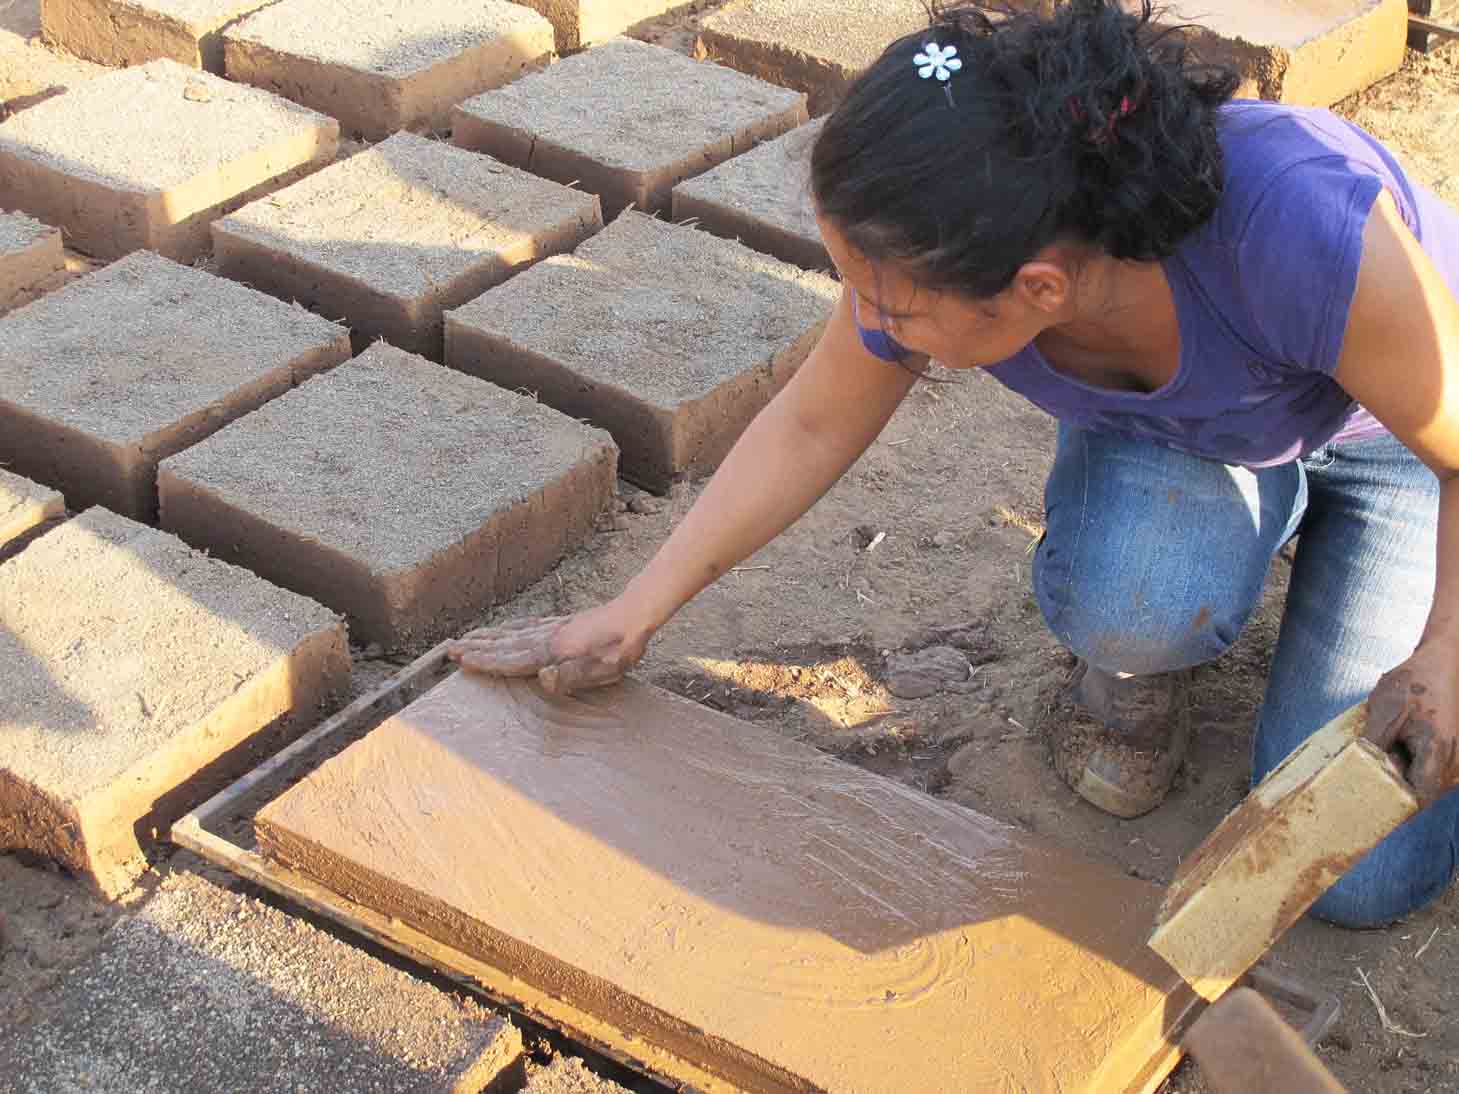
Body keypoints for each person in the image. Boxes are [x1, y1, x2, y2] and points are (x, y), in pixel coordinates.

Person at [449, 0, 1459, 929]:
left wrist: (1445, 654)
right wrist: (634, 609)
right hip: (1192, 439)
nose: (872, 324)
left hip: (1403, 453)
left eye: (893, 306)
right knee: (1138, 593)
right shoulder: (973, 231)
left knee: (1359, 880)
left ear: (1038, 288)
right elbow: (810, 423)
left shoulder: (1307, 232)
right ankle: (1183, 605)